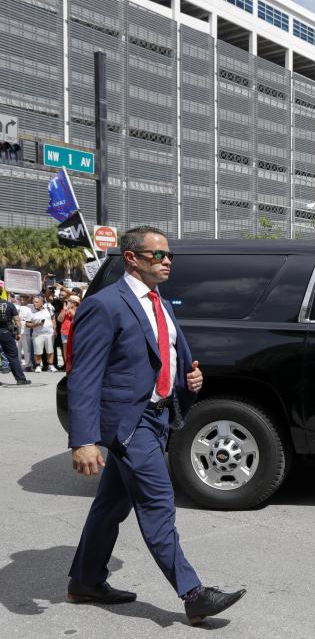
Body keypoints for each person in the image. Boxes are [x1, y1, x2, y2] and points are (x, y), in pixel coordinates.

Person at [66, 225, 245, 624]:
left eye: (168, 256)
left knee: (112, 503)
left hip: (158, 414)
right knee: (158, 502)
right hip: (131, 422)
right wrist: (84, 440)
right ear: (131, 258)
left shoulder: (157, 300)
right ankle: (194, 594)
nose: (167, 262)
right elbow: (84, 375)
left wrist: (187, 379)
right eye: (157, 255)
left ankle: (86, 580)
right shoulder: (106, 304)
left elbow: (159, 354)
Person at [0, 294, 31, 386]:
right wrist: (18, 332)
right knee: (12, 356)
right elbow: (17, 321)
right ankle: (20, 379)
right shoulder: (9, 305)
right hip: (6, 332)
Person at [26, 295, 56, 373]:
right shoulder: (30, 311)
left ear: (42, 302)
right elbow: (27, 324)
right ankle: (38, 366)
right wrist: (37, 324)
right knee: (37, 351)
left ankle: (51, 365)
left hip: (49, 334)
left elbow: (53, 318)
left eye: (36, 302)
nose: (34, 304)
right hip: (37, 334)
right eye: (33, 302)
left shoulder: (49, 309)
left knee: (50, 350)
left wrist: (54, 329)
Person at [61, 295, 80, 373]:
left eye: (69, 301)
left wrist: (69, 309)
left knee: (73, 350)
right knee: (66, 351)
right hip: (65, 331)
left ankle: (72, 366)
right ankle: (67, 366)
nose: (67, 302)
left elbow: (76, 317)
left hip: (73, 332)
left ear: (74, 303)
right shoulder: (66, 309)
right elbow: (59, 319)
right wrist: (65, 310)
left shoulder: (78, 309)